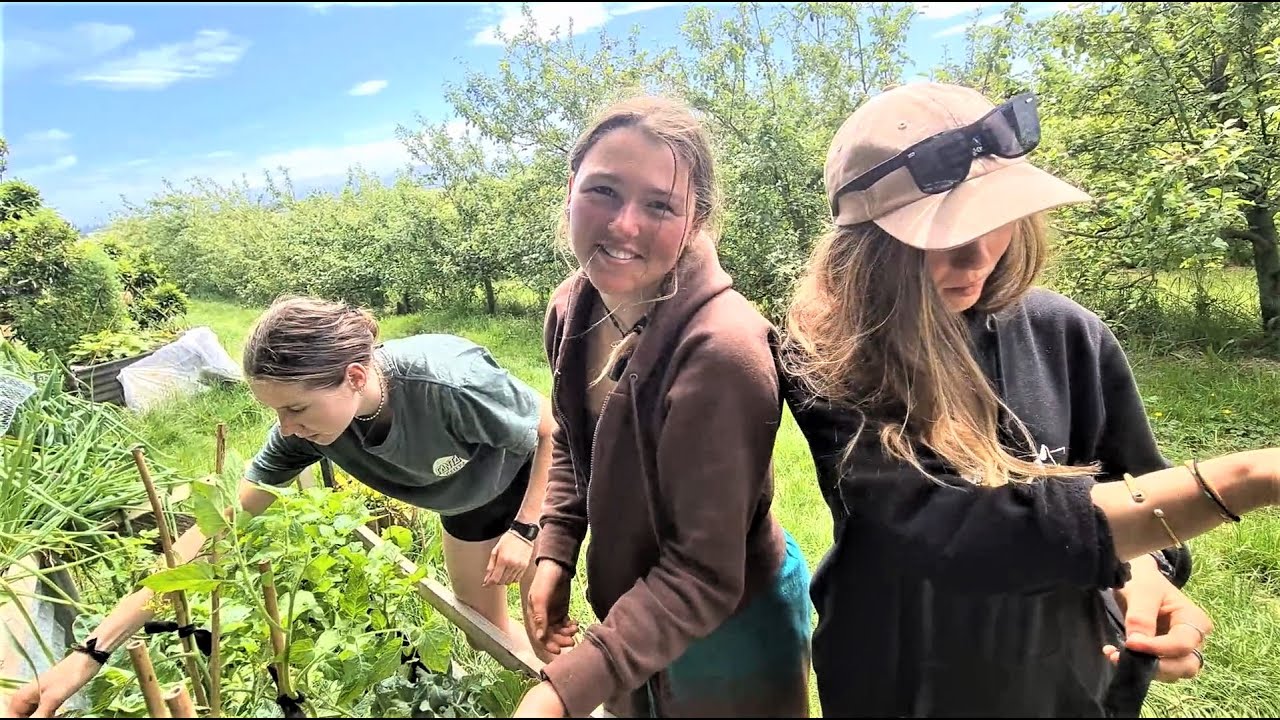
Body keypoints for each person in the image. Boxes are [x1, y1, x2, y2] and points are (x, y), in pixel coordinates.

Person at [777, 80, 1280, 718]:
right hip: (899, 680)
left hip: (1063, 681)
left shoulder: (1069, 335)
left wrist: (1144, 571)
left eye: (995, 216)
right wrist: (1247, 479)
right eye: (942, 228)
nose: (979, 252)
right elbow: (963, 533)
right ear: (868, 247)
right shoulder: (830, 361)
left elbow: (1136, 481)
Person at [9, 296, 557, 718]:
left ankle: (573, 691)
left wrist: (528, 530)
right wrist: (89, 654)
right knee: (479, 624)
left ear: (356, 376)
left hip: (530, 483)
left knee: (542, 616)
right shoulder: (305, 433)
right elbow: (211, 536)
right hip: (459, 500)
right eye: (276, 412)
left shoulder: (446, 381)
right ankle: (527, 688)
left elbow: (551, 429)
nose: (287, 429)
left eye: (295, 408)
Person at [511, 95, 812, 718]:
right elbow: (572, 438)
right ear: (569, 189)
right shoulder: (574, 306)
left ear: (694, 216)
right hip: (634, 615)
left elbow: (704, 574)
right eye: (603, 191)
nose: (624, 225)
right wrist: (556, 545)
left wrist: (562, 690)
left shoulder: (723, 354)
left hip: (732, 625)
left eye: (658, 204)